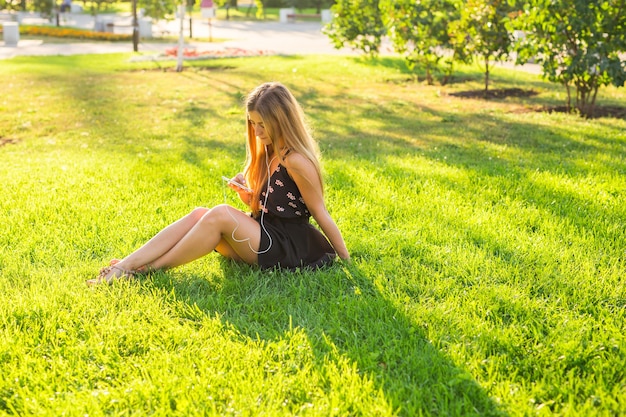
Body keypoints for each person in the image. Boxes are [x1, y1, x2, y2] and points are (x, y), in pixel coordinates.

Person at [88, 82, 350, 285]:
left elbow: (320, 213)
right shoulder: (268, 151)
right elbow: (268, 207)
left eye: (263, 125)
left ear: (282, 121)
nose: (257, 132)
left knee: (219, 214)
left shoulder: (297, 161)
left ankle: (138, 270)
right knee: (200, 214)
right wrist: (248, 196)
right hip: (265, 233)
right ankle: (127, 264)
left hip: (287, 247)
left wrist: (347, 261)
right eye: (253, 124)